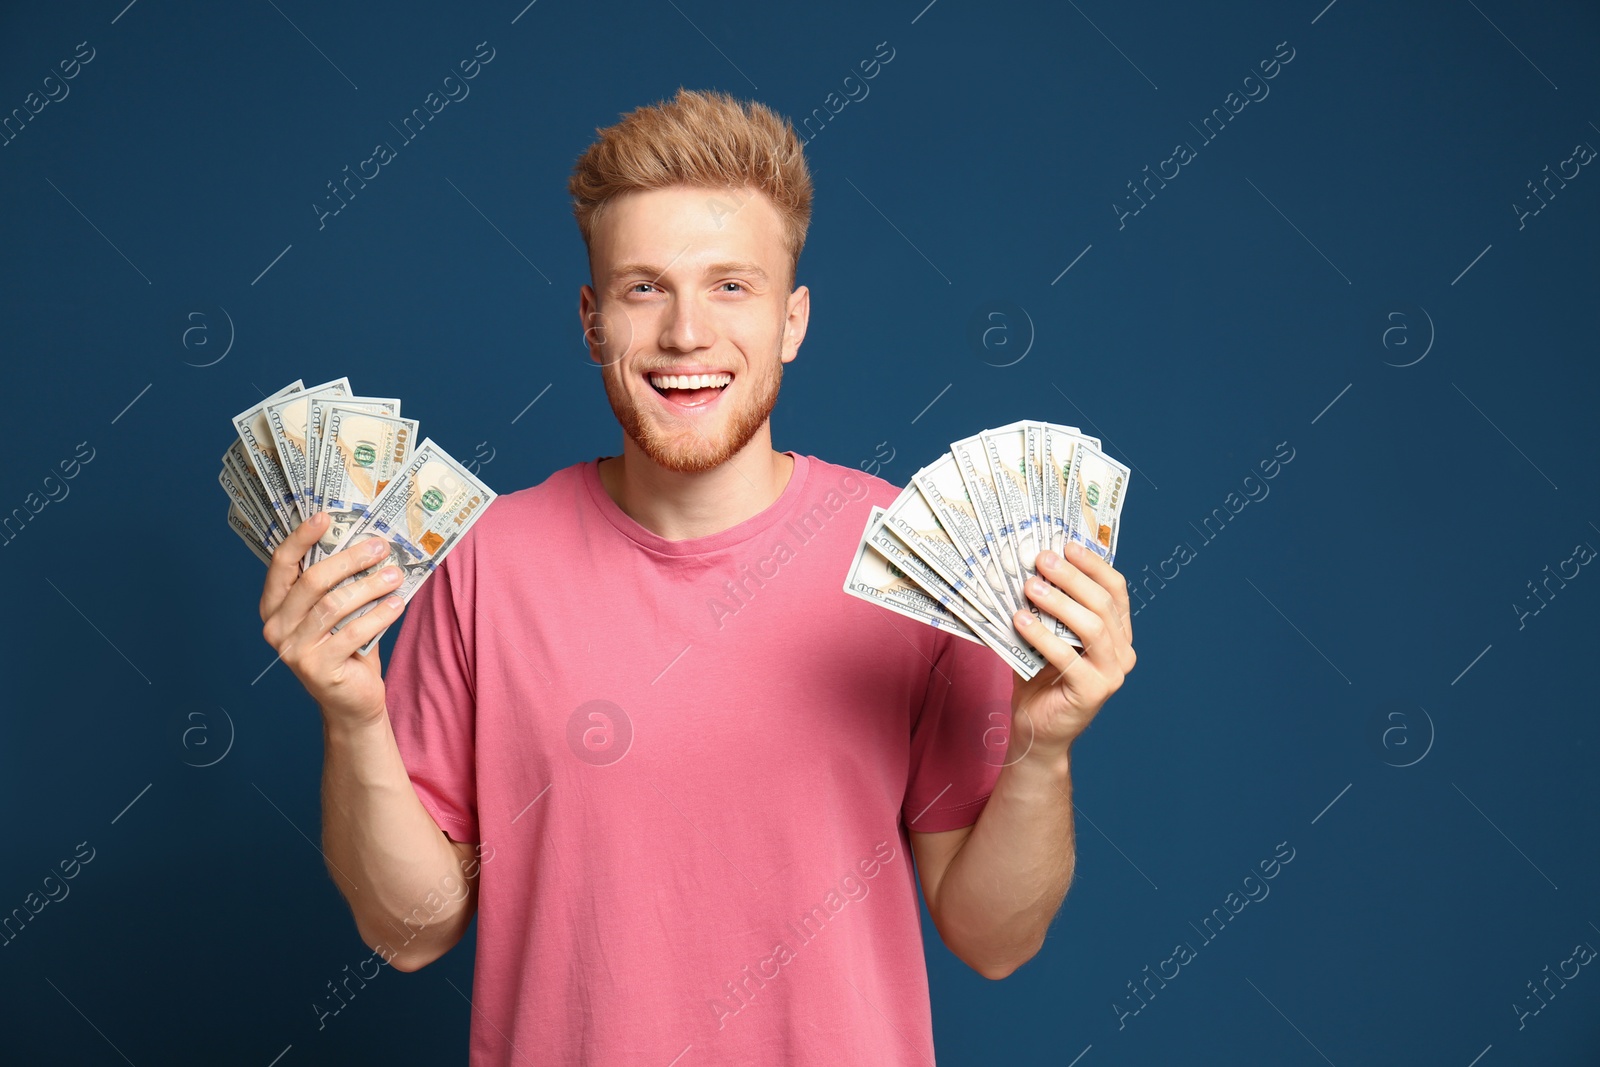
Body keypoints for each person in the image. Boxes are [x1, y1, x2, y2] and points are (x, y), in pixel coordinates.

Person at [258, 87, 1136, 1066]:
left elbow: (994, 935)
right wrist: (352, 717)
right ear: (592, 322)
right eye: (644, 287)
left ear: (791, 319)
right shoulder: (485, 563)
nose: (685, 334)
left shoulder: (907, 558)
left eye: (731, 285)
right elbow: (409, 929)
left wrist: (1044, 750)